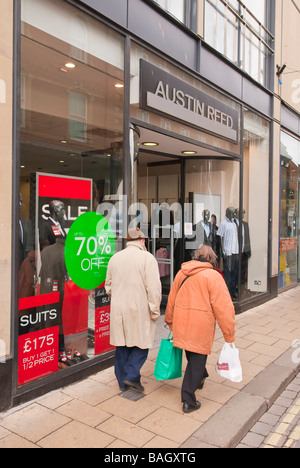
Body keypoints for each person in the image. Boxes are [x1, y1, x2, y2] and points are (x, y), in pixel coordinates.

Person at [165, 244, 236, 413]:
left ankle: (201, 376)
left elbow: (171, 300)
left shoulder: (182, 272)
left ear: (196, 256)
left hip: (182, 324)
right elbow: (224, 308)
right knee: (197, 361)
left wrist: (170, 321)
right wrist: (229, 335)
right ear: (212, 259)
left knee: (192, 354)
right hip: (200, 326)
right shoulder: (213, 276)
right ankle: (188, 399)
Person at [105, 227, 162, 393]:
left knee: (122, 344)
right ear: (142, 241)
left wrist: (117, 296)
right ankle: (131, 375)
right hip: (139, 307)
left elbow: (108, 286)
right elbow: (153, 288)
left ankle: (122, 382)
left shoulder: (115, 258)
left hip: (118, 308)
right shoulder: (147, 258)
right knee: (142, 343)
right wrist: (155, 309)